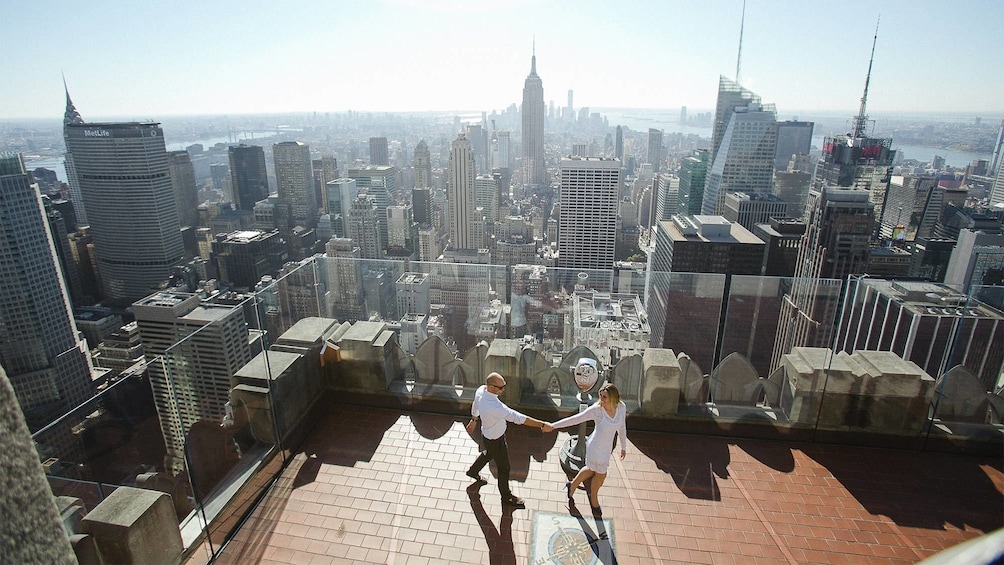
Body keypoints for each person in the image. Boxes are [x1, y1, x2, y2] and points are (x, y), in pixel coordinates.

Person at [543, 382, 627, 517]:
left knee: (591, 469)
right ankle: (594, 500)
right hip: (595, 447)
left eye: (604, 397)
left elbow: (622, 427)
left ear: (613, 397)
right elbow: (575, 419)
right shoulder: (597, 410)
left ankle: (572, 485)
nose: (601, 400)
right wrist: (553, 426)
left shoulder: (621, 407)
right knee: (601, 474)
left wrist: (624, 446)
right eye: (601, 396)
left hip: (606, 448)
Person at [466, 372, 546, 508]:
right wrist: (542, 424)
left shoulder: (481, 391)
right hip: (496, 440)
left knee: (488, 454)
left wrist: (474, 419)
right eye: (501, 387)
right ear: (491, 388)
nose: (503, 390)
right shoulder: (495, 407)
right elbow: (518, 418)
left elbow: (476, 405)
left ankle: (473, 471)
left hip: (486, 434)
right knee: (504, 468)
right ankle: (506, 497)